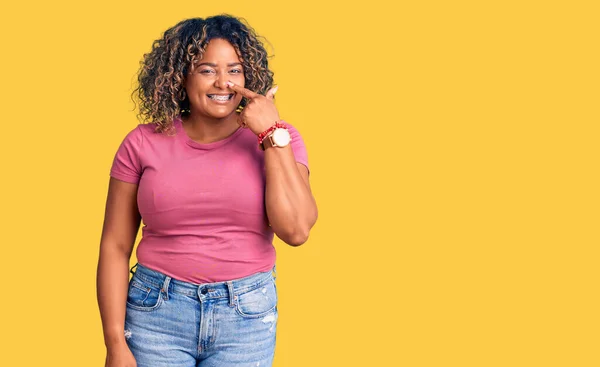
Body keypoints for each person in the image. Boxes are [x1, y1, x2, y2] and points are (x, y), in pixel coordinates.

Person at [96, 14, 318, 367]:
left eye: (234, 70)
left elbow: (295, 230)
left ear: (249, 77)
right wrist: (114, 344)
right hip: (156, 314)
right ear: (180, 77)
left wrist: (270, 135)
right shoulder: (142, 143)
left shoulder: (280, 138)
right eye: (207, 70)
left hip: (246, 317)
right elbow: (115, 245)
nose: (223, 83)